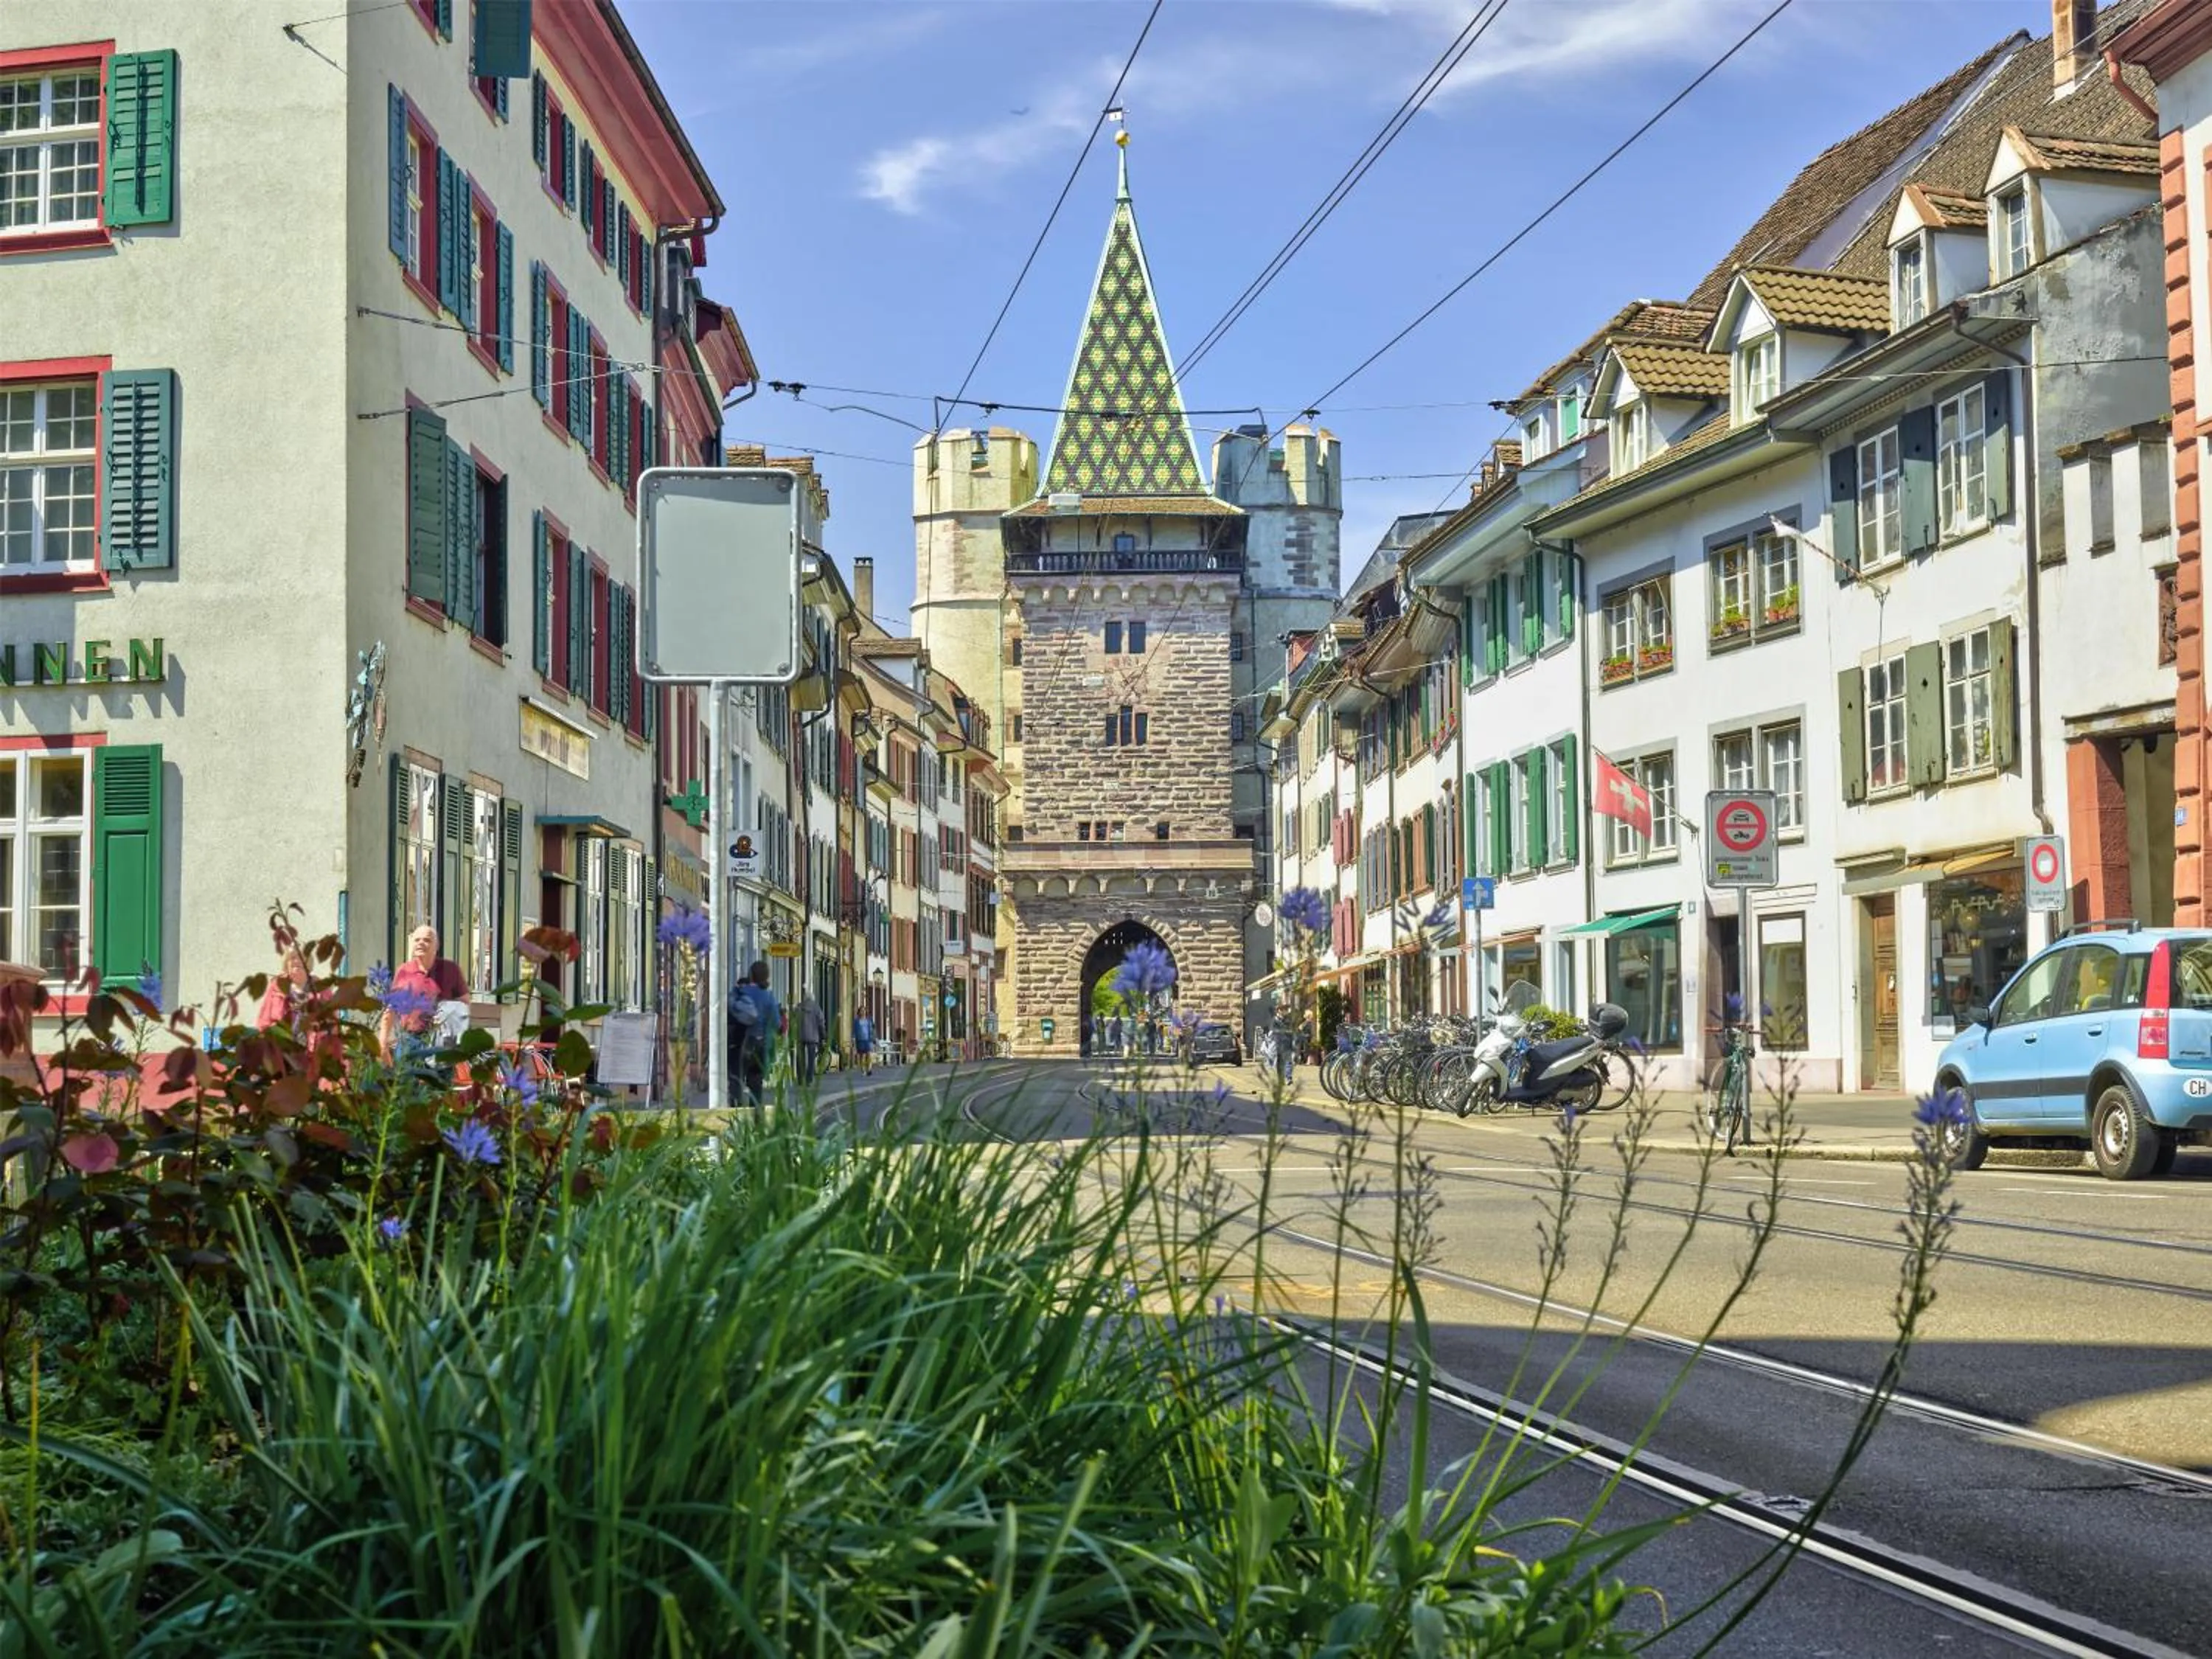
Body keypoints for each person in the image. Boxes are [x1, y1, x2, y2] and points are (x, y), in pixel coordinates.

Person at [381, 925, 467, 1060]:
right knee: (405, 1080)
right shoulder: (403, 971)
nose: (421, 943)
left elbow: (465, 1004)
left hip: (441, 1042)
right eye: (417, 940)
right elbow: (391, 1008)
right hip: (409, 1040)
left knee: (439, 1080)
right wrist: (383, 1041)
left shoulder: (451, 969)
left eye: (427, 940)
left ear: (436, 946)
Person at [728, 960, 782, 1107]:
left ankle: (735, 1115)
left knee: (736, 1080)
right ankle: (756, 1118)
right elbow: (777, 1024)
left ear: (751, 975)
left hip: (740, 1043)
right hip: (761, 1045)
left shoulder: (741, 992)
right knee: (756, 1083)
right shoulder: (769, 997)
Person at [257, 945, 311, 1031]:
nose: (296, 961)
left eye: (301, 957)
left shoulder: (320, 987)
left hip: (314, 1043)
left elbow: (332, 1025)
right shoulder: (276, 987)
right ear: (286, 964)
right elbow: (263, 1022)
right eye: (292, 958)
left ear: (308, 962)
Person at [796, 992, 825, 1085]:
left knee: (800, 1058)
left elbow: (794, 1020)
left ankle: (800, 1078)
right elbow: (821, 1022)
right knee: (811, 1059)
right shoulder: (816, 1008)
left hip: (800, 1035)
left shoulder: (799, 1007)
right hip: (813, 1036)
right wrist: (823, 1034)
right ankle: (809, 1079)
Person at [854, 1009, 876, 1074]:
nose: (863, 1012)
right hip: (860, 1040)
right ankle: (863, 1069)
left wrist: (873, 1038)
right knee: (862, 1055)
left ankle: (869, 1069)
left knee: (869, 1054)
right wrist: (853, 1038)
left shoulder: (868, 1020)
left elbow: (872, 1029)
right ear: (859, 1012)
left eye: (864, 1011)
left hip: (868, 1039)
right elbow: (854, 1030)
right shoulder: (856, 1021)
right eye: (861, 1011)